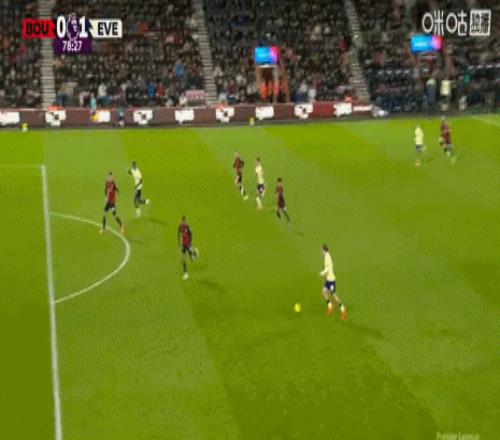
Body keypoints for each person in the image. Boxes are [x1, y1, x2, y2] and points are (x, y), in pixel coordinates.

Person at [320, 244, 346, 319]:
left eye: (321, 250)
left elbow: (327, 269)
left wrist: (322, 273)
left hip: (331, 281)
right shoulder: (327, 256)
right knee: (323, 292)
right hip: (328, 280)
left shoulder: (327, 258)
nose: (321, 251)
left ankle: (343, 310)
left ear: (324, 250)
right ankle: (330, 306)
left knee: (334, 296)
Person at [178, 215, 198, 280]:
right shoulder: (180, 227)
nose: (183, 222)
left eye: (184, 221)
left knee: (192, 259)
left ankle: (195, 252)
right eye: (182, 221)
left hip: (188, 244)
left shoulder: (187, 227)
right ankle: (185, 273)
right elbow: (179, 234)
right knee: (183, 259)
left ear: (185, 221)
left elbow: (191, 234)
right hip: (183, 245)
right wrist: (179, 243)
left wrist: (189, 242)